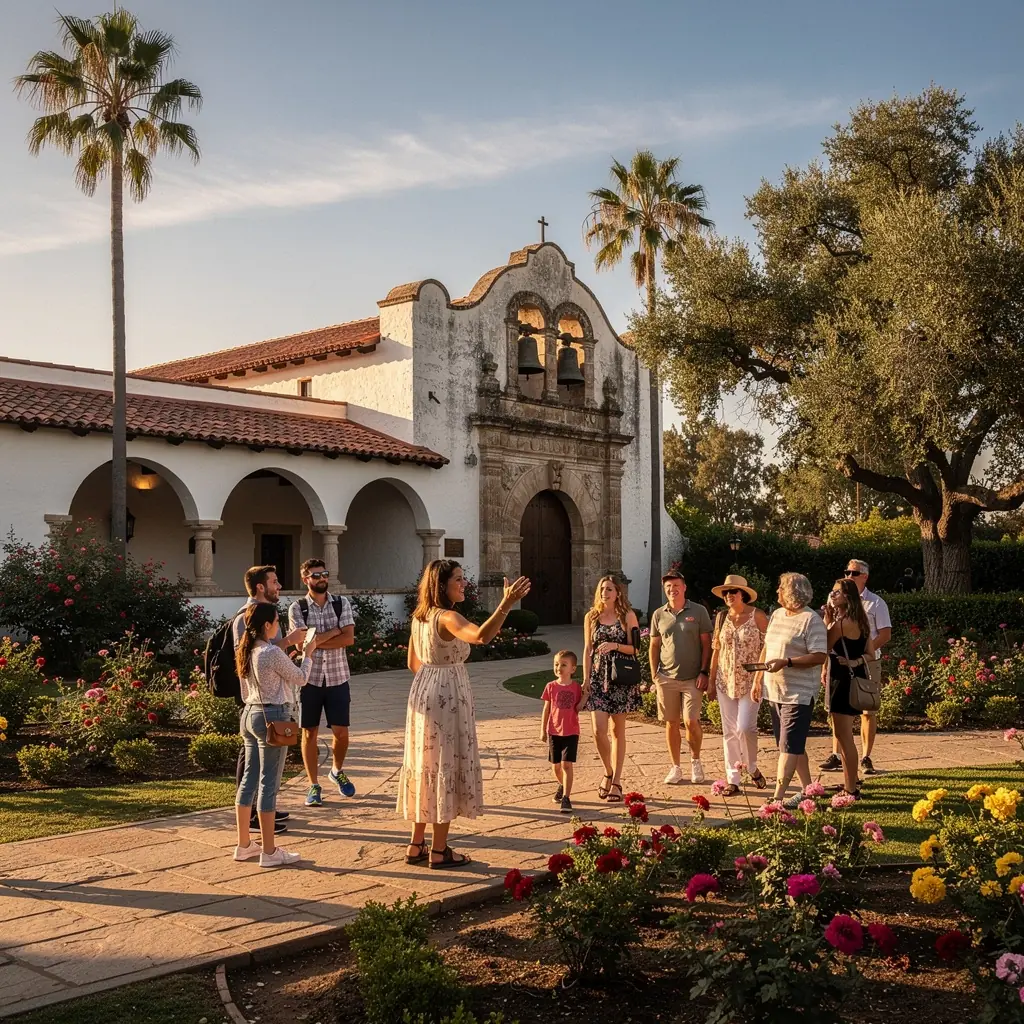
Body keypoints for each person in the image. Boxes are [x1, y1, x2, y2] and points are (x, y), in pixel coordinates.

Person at [399, 560, 530, 868]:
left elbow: (411, 662)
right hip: (446, 693)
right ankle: (440, 850)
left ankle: (416, 844)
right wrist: (506, 603)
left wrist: (431, 680)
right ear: (441, 585)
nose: (463, 584)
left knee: (426, 764)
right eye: (457, 579)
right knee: (445, 763)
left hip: (425, 689)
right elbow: (481, 636)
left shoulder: (421, 617)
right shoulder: (447, 617)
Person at [233, 602, 314, 868]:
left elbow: (249, 689)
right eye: (277, 622)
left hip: (251, 713)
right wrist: (309, 654)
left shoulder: (247, 650)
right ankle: (269, 851)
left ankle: (244, 844)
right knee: (269, 783)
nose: (279, 627)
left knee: (249, 780)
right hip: (273, 716)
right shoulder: (270, 651)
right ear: (267, 625)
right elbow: (301, 678)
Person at [751, 573, 828, 809]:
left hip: (798, 694)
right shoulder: (777, 615)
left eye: (780, 588)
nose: (777, 592)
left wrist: (787, 662)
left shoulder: (811, 620)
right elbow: (767, 648)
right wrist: (758, 677)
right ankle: (809, 791)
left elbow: (819, 655)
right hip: (775, 691)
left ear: (792, 592)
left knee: (788, 747)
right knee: (793, 746)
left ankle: (777, 799)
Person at [287, 559, 357, 807]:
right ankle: (313, 785)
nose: (321, 578)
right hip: (310, 679)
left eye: (324, 574)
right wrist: (333, 632)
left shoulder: (341, 603)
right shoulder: (298, 608)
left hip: (338, 677)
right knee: (310, 732)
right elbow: (301, 646)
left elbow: (349, 639)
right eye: (315, 576)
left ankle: (336, 771)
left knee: (342, 733)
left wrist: (316, 640)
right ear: (305, 579)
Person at [818, 559, 892, 776]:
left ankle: (865, 757)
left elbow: (884, 634)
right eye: (846, 571)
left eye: (854, 572)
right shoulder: (839, 610)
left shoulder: (876, 603)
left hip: (864, 665)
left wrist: (857, 657)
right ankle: (836, 754)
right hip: (843, 664)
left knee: (866, 708)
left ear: (864, 576)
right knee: (838, 713)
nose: (849, 575)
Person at [648, 570, 712, 785]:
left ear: (684, 587)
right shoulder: (659, 614)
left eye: (676, 586)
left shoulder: (699, 611)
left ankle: (695, 761)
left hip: (693, 678)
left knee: (691, 721)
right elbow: (654, 645)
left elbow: (707, 644)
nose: (672, 590)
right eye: (668, 587)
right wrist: (654, 674)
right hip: (666, 678)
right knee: (671, 723)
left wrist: (704, 672)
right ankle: (675, 767)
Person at [708, 574, 769, 796]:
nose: (729, 596)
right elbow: (717, 649)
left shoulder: (758, 616)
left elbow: (768, 646)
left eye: (732, 592)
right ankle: (733, 778)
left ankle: (751, 767)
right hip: (725, 680)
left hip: (750, 680)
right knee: (729, 732)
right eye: (725, 593)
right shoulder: (722, 617)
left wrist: (760, 678)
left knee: (745, 728)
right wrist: (711, 680)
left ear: (743, 594)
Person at [583, 575, 641, 804]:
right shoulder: (591, 617)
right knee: (598, 730)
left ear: (618, 592)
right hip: (597, 678)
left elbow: (635, 648)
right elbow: (588, 648)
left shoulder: (627, 616)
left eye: (609, 589)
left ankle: (616, 781)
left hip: (620, 678)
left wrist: (615, 645)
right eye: (602, 589)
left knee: (618, 731)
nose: (605, 592)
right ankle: (607, 770)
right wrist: (586, 678)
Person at [823, 578, 875, 799]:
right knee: (845, 734)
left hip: (842, 680)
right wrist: (854, 662)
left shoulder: (841, 624)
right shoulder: (861, 621)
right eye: (832, 592)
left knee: (844, 736)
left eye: (837, 593)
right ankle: (849, 780)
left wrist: (827, 622)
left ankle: (851, 788)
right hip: (855, 676)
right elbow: (870, 654)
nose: (832, 596)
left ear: (848, 597)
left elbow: (822, 647)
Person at [540, 650, 584, 814]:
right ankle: (562, 784)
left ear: (573, 669)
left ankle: (566, 797)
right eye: (556, 664)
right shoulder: (551, 687)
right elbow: (546, 709)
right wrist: (543, 730)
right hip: (554, 731)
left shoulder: (576, 688)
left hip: (571, 731)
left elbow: (579, 708)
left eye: (563, 664)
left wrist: (585, 696)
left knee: (566, 764)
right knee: (556, 766)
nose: (559, 667)